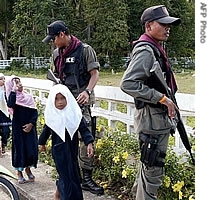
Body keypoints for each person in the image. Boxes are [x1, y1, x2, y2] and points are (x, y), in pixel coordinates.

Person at [120, 5, 181, 200]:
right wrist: (161, 98)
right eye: (163, 24)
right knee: (152, 174)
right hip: (152, 122)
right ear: (148, 26)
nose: (167, 28)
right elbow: (128, 83)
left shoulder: (155, 49)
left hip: (155, 121)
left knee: (148, 171)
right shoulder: (147, 51)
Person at [42, 20, 104, 195]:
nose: (53, 41)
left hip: (81, 101)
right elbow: (55, 77)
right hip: (63, 104)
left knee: (85, 139)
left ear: (62, 34)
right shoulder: (56, 54)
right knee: (63, 139)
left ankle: (86, 178)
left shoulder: (84, 50)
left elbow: (95, 74)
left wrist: (87, 91)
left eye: (54, 38)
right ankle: (65, 177)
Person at [38, 84, 94, 200]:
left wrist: (89, 143)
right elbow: (46, 131)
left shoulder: (74, 114)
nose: (60, 102)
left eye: (62, 98)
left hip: (72, 150)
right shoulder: (52, 116)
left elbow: (84, 130)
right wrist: (41, 143)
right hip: (59, 152)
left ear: (68, 98)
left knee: (73, 174)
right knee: (66, 175)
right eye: (57, 99)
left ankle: (59, 193)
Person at [6, 75, 38, 184]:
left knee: (30, 149)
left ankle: (28, 169)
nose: (19, 84)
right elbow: (10, 104)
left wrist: (31, 124)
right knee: (20, 150)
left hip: (29, 129)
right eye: (16, 83)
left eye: (19, 82)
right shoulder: (12, 97)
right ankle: (19, 172)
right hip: (18, 129)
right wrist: (14, 91)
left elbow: (34, 112)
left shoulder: (28, 97)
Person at [0, 73, 12, 154]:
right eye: (1, 79)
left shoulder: (6, 90)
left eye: (4, 79)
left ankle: (4, 144)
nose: (3, 81)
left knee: (6, 131)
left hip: (4, 114)